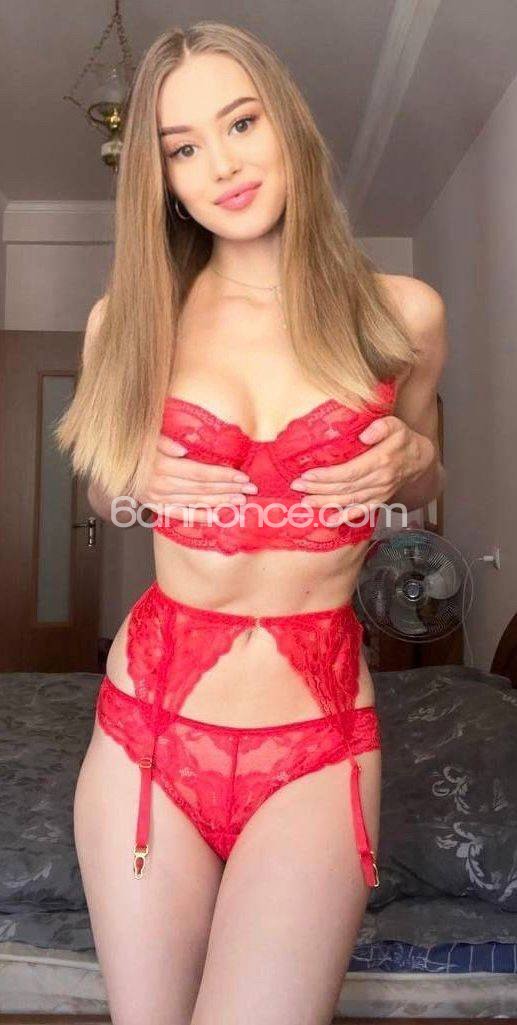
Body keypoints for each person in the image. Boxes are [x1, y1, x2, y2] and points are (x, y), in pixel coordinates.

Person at [56, 20, 446, 1025]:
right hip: (148, 730)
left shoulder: (401, 314)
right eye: (182, 148)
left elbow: (420, 484)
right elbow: (108, 497)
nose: (220, 165)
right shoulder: (129, 320)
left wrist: (413, 459)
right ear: (162, 180)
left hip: (316, 739)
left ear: (289, 126)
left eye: (240, 123)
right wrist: (130, 471)